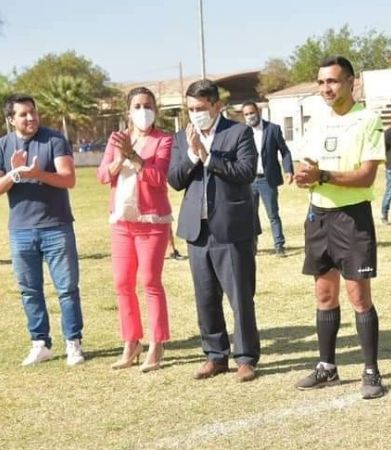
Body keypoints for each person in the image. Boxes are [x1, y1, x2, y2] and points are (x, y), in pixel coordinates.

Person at [293, 56, 386, 399]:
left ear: (351, 83)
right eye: (320, 83)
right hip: (319, 216)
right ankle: (327, 367)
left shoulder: (368, 119)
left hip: (352, 217)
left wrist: (324, 176)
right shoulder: (316, 121)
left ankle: (371, 371)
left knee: (358, 296)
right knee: (324, 294)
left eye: (332, 81)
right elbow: (307, 165)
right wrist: (303, 176)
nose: (326, 89)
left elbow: (367, 176)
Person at [167, 79, 260, 383]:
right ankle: (215, 355)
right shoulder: (183, 138)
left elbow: (245, 173)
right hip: (198, 230)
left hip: (232, 229)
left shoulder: (238, 132)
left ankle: (245, 358)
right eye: (191, 109)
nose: (195, 114)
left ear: (216, 106)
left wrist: (209, 158)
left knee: (240, 296)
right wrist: (194, 155)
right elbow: (175, 180)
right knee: (205, 297)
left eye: (201, 108)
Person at [0, 93, 85, 366]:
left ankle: (73, 342)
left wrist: (37, 174)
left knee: (67, 288)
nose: (30, 118)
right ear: (10, 119)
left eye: (33, 113)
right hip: (21, 230)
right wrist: (14, 174)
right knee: (29, 290)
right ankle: (40, 343)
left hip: (56, 227)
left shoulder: (54, 139)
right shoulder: (3, 146)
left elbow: (68, 179)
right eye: (23, 114)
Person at [97, 87, 174, 372]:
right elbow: (103, 175)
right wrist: (119, 157)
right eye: (137, 106)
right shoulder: (117, 139)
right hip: (122, 221)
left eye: (148, 105)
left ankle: (157, 343)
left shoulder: (164, 139)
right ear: (128, 111)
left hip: (152, 222)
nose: (143, 110)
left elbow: (157, 178)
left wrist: (135, 157)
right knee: (122, 283)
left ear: (155, 109)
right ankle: (131, 341)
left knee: (150, 281)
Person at [241, 101, 294, 257]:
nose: (250, 116)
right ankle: (252, 246)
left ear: (258, 112)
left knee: (273, 214)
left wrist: (288, 169)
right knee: (250, 215)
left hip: (267, 179)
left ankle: (279, 246)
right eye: (246, 114)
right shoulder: (242, 132)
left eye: (252, 112)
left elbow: (285, 151)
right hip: (248, 180)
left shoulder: (273, 129)